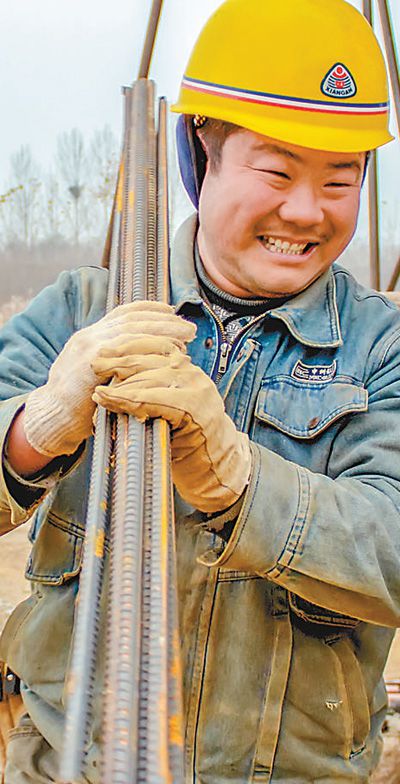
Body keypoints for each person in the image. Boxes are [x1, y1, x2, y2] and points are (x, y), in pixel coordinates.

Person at [0, 0, 399, 780]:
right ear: (199, 156)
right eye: (277, 171)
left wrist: (241, 484)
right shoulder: (80, 313)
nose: (306, 211)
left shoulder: (381, 349)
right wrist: (37, 428)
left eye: (340, 178)